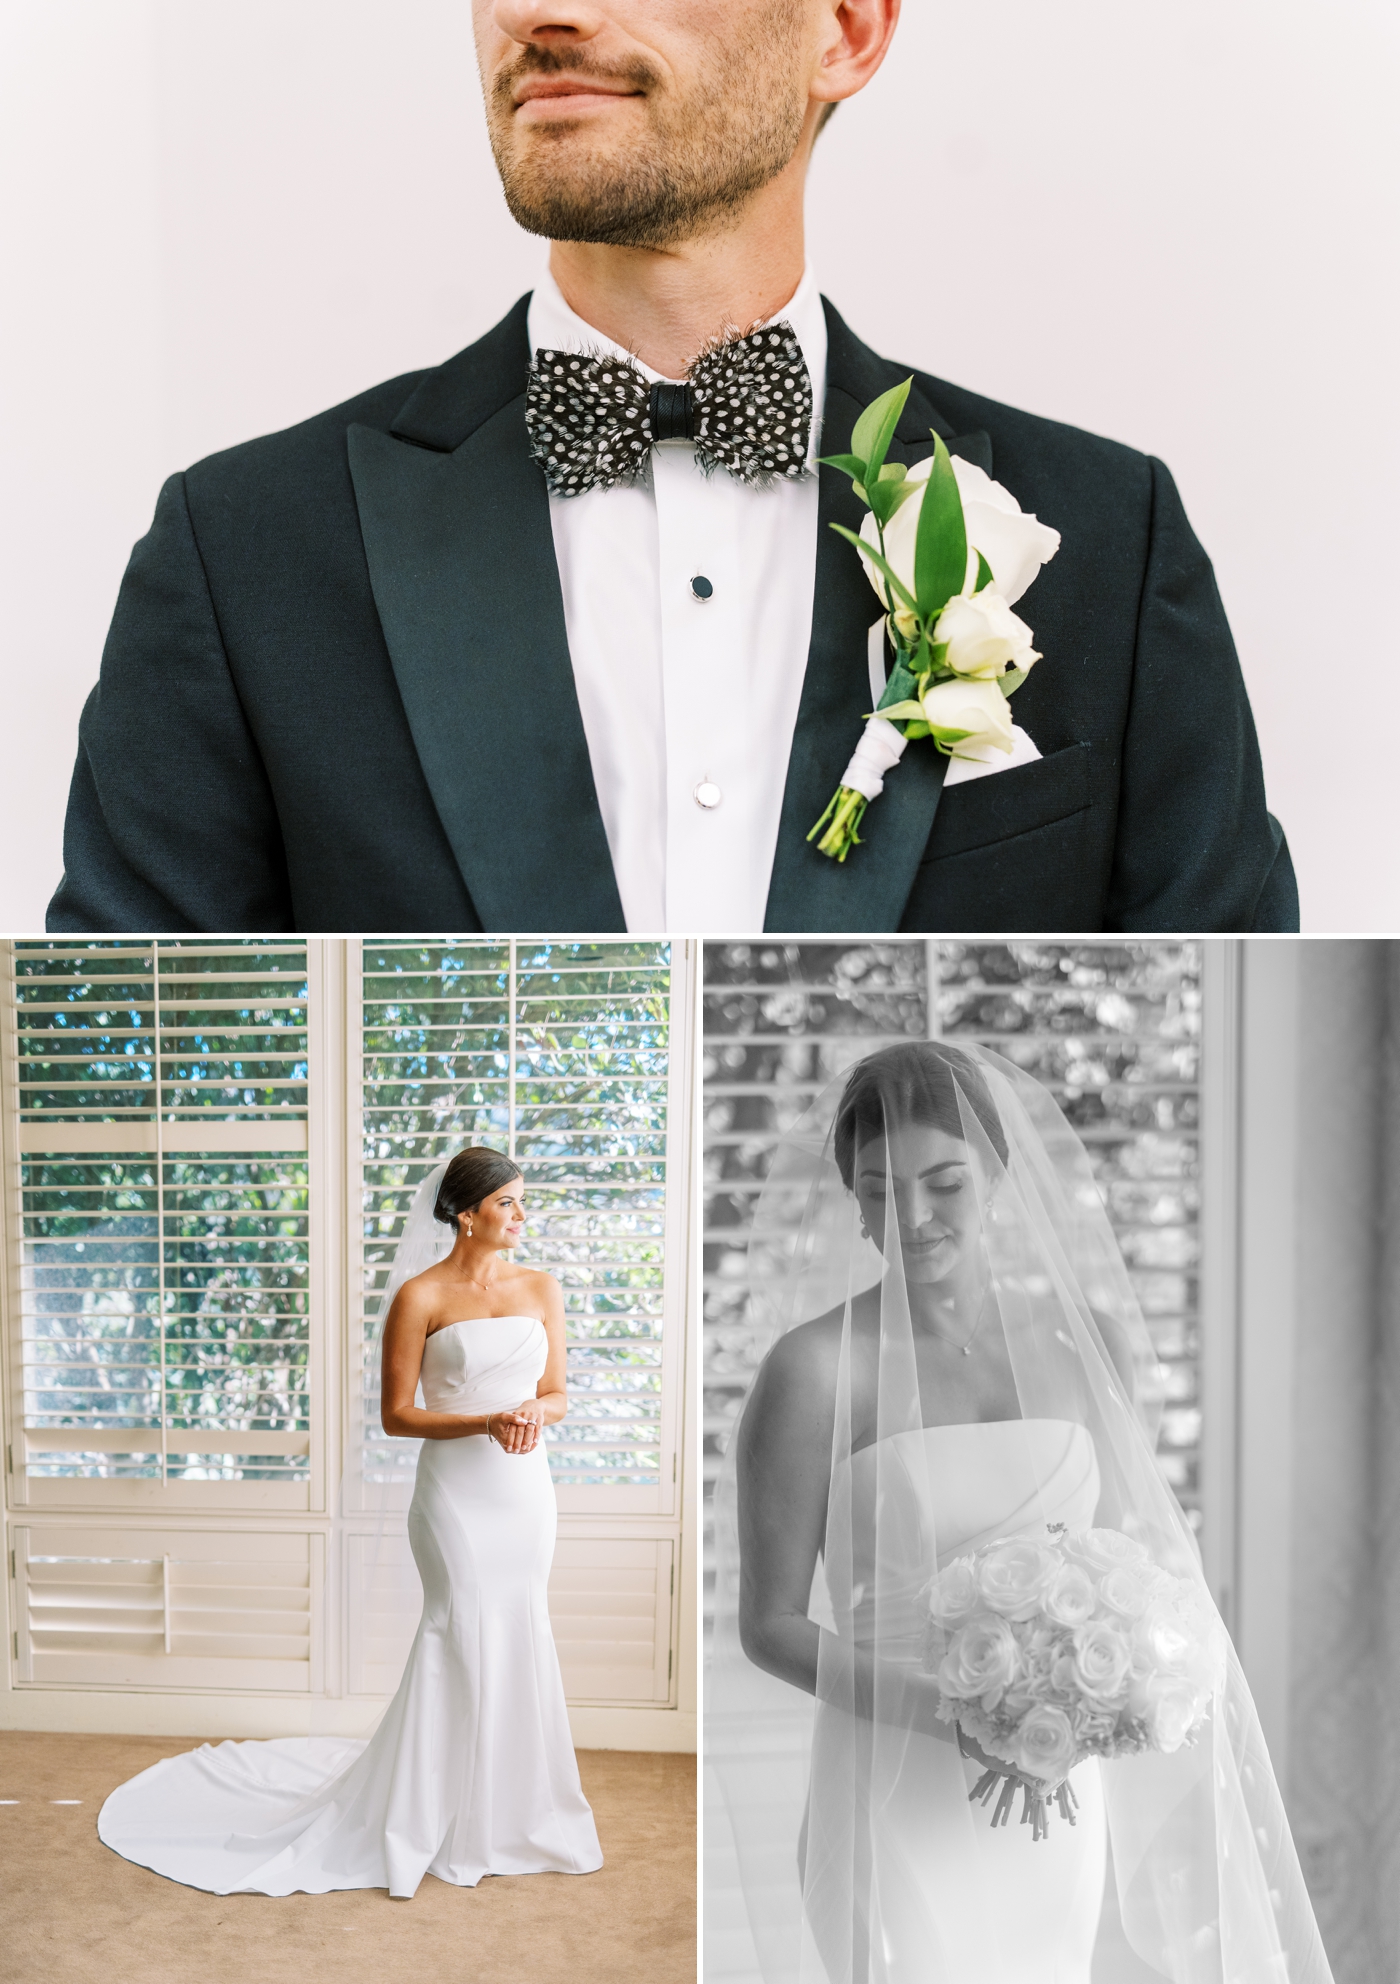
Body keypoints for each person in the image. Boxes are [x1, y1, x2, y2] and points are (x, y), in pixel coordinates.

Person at [48, 0, 1294, 936]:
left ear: (846, 32)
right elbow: (131, 1094)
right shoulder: (240, 554)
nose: (545, 14)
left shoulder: (1106, 546)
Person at [707, 1042, 1331, 1982]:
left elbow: (1135, 1571)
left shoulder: (1092, 1347)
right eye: (879, 1190)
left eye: (944, 1182)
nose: (911, 1217)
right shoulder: (813, 1369)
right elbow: (770, 1628)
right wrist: (959, 1718)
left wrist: (1111, 1694)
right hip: (890, 1779)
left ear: (999, 1176)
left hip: (1055, 1791)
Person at [98, 1147, 603, 1897]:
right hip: (457, 1496)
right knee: (457, 1634)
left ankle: (509, 1815)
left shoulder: (542, 1288)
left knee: (521, 1627)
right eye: (508, 1204)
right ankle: (427, 1816)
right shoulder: (420, 1296)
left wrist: (532, 1411)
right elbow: (398, 1417)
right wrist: (484, 1420)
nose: (523, 1216)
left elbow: (559, 1392)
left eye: (521, 1202)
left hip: (525, 1491)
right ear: (467, 1214)